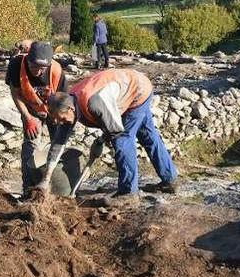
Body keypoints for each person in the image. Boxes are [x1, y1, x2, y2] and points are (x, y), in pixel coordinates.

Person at [42, 69, 177, 202]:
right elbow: (58, 142)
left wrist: (101, 141)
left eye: (63, 118)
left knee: (122, 140)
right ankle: (169, 180)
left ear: (70, 109)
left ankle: (128, 193)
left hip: (137, 89)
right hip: (129, 85)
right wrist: (46, 179)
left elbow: (116, 130)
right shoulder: (68, 102)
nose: (61, 122)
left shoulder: (94, 103)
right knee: (147, 134)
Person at [5, 41, 67, 192]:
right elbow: (16, 93)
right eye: (34, 67)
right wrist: (27, 117)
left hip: (53, 110)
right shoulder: (16, 65)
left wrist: (56, 117)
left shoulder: (56, 70)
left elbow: (63, 100)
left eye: (42, 68)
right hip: (31, 109)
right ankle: (27, 189)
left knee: (58, 145)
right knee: (29, 147)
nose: (38, 72)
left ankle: (58, 187)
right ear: (28, 59)